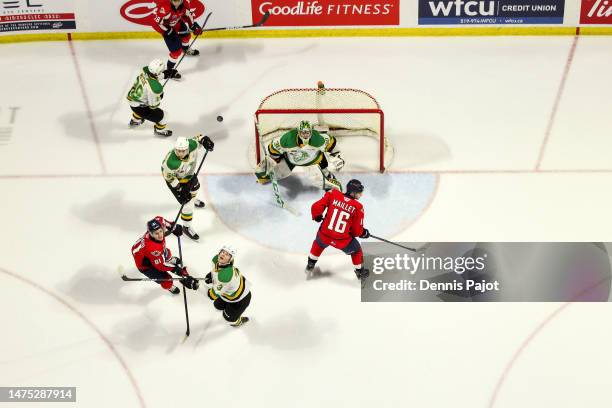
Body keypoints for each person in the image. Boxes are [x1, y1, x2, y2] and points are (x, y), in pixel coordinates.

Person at [306, 179, 370, 281]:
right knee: (356, 250)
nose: (361, 194)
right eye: (359, 192)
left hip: (324, 235)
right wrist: (364, 233)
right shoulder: (358, 207)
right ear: (353, 192)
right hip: (342, 241)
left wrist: (317, 216)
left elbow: (316, 206)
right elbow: (356, 231)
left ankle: (310, 264)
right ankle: (360, 272)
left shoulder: (333, 194)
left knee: (318, 243)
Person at [254, 120, 344, 191]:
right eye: (303, 133)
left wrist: (336, 157)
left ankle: (328, 178)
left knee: (320, 181)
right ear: (298, 132)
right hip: (291, 159)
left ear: (311, 132)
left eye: (307, 133)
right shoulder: (287, 139)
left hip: (313, 161)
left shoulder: (318, 139)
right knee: (269, 174)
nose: (305, 136)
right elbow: (273, 148)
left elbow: (332, 143)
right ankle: (263, 176)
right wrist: (273, 160)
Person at [162, 134, 214, 241]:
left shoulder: (191, 145)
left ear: (187, 148)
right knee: (187, 203)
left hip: (189, 175)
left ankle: (193, 199)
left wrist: (205, 140)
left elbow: (199, 138)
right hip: (177, 181)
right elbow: (169, 178)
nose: (180, 153)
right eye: (178, 150)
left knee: (196, 187)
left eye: (183, 151)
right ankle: (186, 226)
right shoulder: (171, 163)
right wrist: (180, 189)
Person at [131, 216, 199, 294]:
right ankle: (170, 287)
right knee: (167, 280)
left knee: (167, 252)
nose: (160, 235)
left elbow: (162, 220)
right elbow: (161, 266)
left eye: (160, 231)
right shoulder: (153, 249)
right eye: (156, 233)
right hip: (145, 265)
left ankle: (168, 259)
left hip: (145, 253)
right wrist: (180, 272)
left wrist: (174, 227)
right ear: (151, 233)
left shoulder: (158, 222)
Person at [152, 0, 203, 81]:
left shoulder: (185, 4)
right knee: (176, 52)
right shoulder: (164, 8)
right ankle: (169, 71)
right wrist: (168, 31)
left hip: (177, 24)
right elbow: (156, 23)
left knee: (186, 36)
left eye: (178, 0)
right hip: (166, 29)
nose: (176, 3)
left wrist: (193, 26)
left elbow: (188, 15)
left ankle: (185, 49)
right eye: (174, 0)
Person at [204, 245, 251, 327]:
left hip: (240, 298)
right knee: (218, 305)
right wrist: (212, 275)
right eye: (222, 252)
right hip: (229, 291)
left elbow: (213, 295)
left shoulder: (225, 276)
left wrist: (197, 286)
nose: (222, 255)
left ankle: (237, 322)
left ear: (230, 259)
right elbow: (215, 270)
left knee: (228, 318)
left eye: (227, 254)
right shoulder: (215, 260)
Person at [126, 59, 172, 137]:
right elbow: (153, 106)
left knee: (140, 107)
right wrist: (160, 96)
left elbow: (151, 78)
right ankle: (159, 130)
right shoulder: (155, 88)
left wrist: (165, 75)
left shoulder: (144, 71)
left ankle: (135, 121)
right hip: (140, 108)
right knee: (165, 116)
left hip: (132, 101)